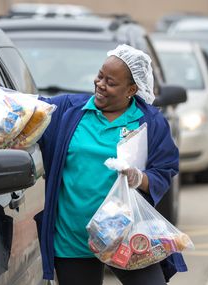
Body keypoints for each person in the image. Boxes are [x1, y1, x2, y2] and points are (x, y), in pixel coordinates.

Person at [35, 44, 187, 285]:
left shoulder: (149, 122)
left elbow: (165, 169)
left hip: (127, 237)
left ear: (132, 89)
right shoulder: (69, 110)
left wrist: (139, 177)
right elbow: (27, 112)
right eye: (100, 76)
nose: (100, 84)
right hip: (73, 240)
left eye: (111, 82)